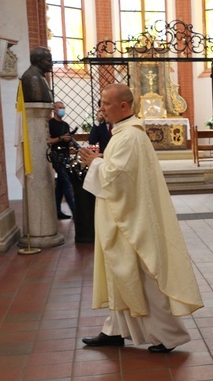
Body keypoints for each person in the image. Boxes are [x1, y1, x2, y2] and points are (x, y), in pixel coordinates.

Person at [78, 83, 203, 353]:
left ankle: (169, 336)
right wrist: (100, 161)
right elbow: (118, 172)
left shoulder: (130, 137)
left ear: (124, 106)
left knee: (141, 277)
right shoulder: (123, 134)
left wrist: (94, 163)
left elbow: (116, 178)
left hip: (130, 221)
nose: (101, 108)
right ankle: (114, 330)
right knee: (121, 274)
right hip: (120, 217)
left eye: (106, 103)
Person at [48, 101, 76, 220]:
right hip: (56, 156)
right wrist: (61, 138)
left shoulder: (65, 125)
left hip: (65, 155)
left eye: (64, 108)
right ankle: (75, 211)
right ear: (54, 110)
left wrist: (70, 141)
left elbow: (67, 140)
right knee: (67, 183)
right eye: (60, 108)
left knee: (60, 184)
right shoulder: (50, 124)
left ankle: (57, 210)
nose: (62, 110)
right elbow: (48, 140)